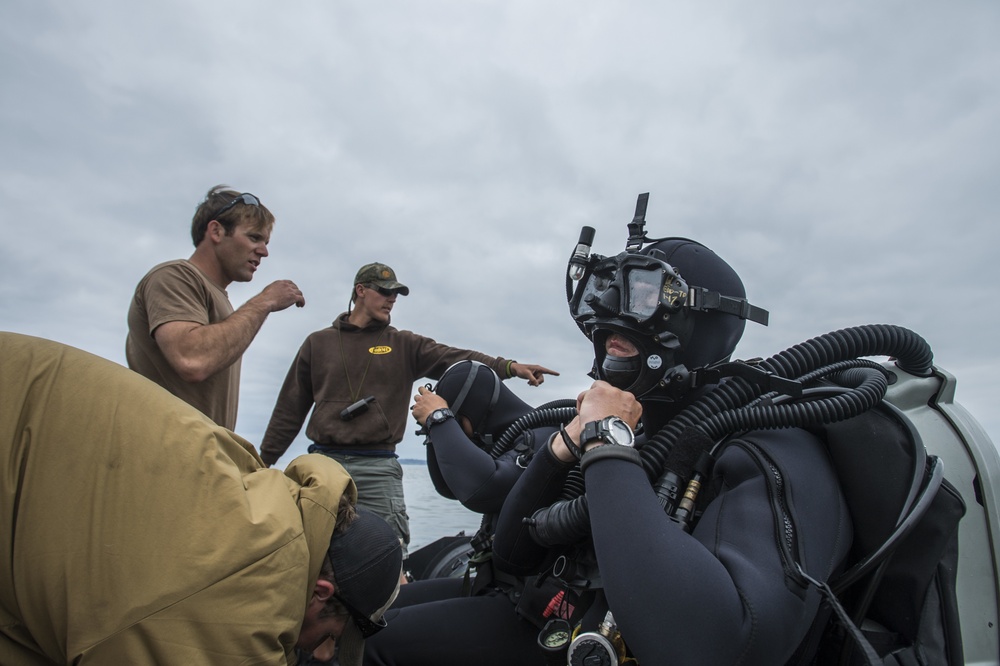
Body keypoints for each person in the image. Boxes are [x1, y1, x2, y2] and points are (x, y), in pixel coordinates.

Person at [366, 231, 853, 665]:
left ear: (698, 320)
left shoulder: (762, 443)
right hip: (556, 621)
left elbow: (722, 645)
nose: (610, 314)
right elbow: (516, 554)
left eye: (639, 294)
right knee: (368, 629)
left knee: (375, 644)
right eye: (603, 290)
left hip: (600, 639)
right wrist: (566, 447)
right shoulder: (631, 431)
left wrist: (607, 440)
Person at [0, 332, 400, 666]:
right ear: (321, 592)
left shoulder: (257, 485)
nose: (325, 654)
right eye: (331, 636)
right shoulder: (235, 617)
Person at [260, 262, 557, 556]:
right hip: (322, 463)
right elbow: (289, 409)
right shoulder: (317, 343)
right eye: (384, 291)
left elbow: (453, 356)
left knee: (388, 554)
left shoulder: (403, 344)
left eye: (396, 294)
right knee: (307, 550)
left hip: (378, 467)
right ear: (360, 291)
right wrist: (263, 463)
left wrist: (509, 367)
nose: (392, 299)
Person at [126, 185, 305, 430]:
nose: (264, 251)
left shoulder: (221, 300)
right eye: (254, 237)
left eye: (265, 241)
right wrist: (265, 301)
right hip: (161, 454)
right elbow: (192, 359)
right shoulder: (173, 277)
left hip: (199, 458)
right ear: (217, 231)